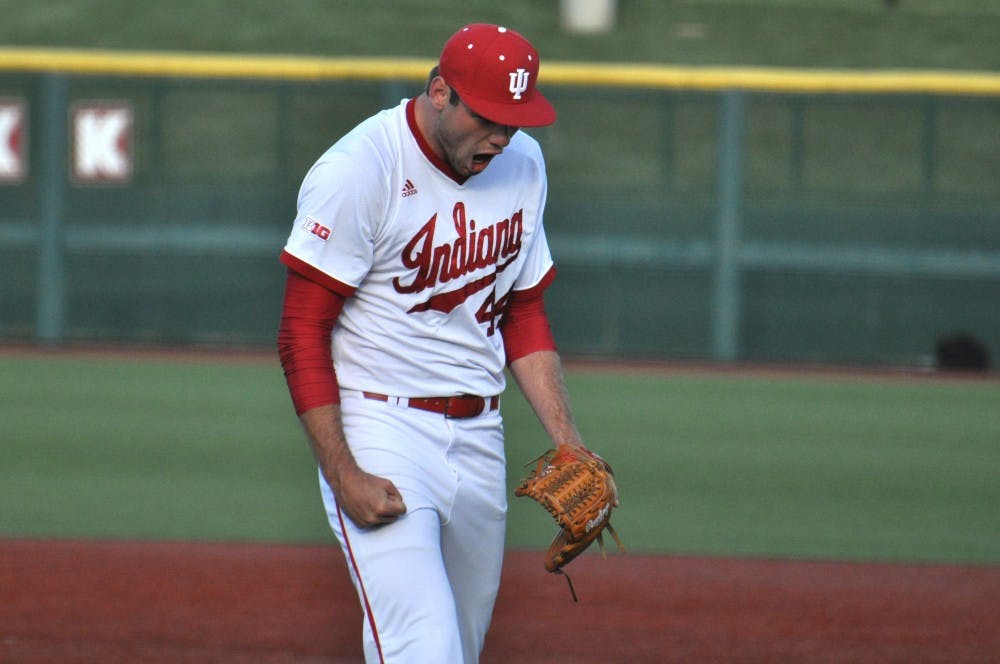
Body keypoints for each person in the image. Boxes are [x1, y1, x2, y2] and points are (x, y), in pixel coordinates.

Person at [277, 23, 597, 663]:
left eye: (515, 119)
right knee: (426, 649)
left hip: (482, 438)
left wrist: (570, 443)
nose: (502, 136)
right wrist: (343, 471)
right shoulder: (361, 169)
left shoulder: (523, 163)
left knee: (457, 648)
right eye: (488, 118)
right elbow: (300, 331)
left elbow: (523, 309)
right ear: (440, 92)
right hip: (382, 428)